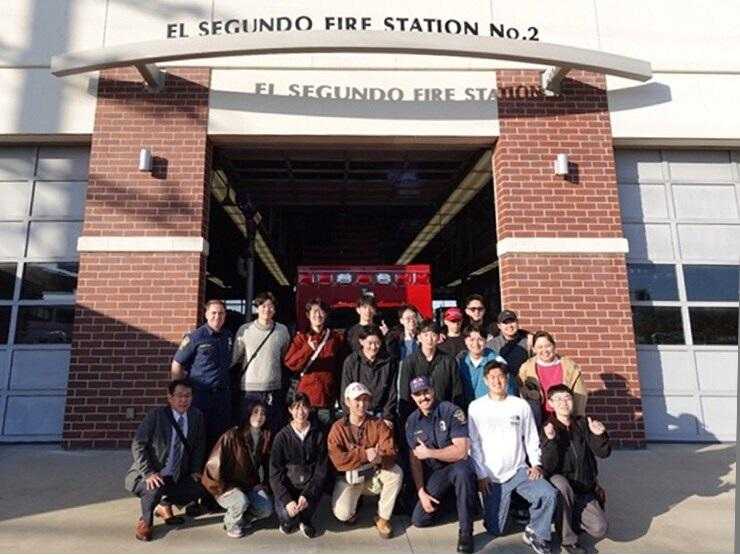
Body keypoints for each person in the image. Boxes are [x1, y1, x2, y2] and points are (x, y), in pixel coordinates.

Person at [468, 360, 558, 554]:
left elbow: (531, 437)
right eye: (492, 377)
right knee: (496, 530)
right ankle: (509, 508)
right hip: (492, 477)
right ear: (485, 381)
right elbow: (473, 444)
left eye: (500, 377)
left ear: (507, 378)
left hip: (519, 470)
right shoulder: (476, 407)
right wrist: (481, 475)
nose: (497, 381)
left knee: (548, 494)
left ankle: (536, 531)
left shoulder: (520, 405)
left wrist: (536, 464)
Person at [125, 379, 207, 542]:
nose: (184, 400)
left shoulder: (196, 416)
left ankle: (164, 505)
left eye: (188, 396)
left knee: (202, 487)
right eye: (179, 396)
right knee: (154, 488)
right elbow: (138, 444)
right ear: (170, 397)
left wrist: (195, 470)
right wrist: (148, 473)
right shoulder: (156, 416)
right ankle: (146, 521)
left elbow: (199, 444)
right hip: (150, 474)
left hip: (176, 475)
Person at [405, 376, 478, 554]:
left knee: (462, 471)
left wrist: (430, 453)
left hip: (457, 465)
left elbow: (461, 451)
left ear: (433, 390)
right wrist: (421, 492)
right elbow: (415, 460)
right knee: (419, 519)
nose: (423, 397)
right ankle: (456, 502)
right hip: (438, 474)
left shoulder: (451, 411)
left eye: (426, 392)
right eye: (418, 394)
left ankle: (466, 532)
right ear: (413, 397)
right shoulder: (412, 421)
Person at [328, 382, 404, 539]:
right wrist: (364, 454)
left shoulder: (378, 424)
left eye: (365, 400)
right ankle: (352, 505)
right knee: (343, 514)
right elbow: (337, 460)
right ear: (347, 402)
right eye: (357, 400)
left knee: (396, 473)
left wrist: (379, 457)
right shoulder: (338, 428)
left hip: (374, 475)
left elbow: (390, 450)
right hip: (350, 479)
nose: (362, 404)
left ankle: (383, 518)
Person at [541, 385, 611, 554]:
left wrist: (599, 435)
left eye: (567, 398)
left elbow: (603, 453)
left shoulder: (582, 423)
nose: (564, 403)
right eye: (558, 399)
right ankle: (568, 540)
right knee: (561, 484)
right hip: (563, 487)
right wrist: (551, 441)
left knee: (600, 528)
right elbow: (548, 467)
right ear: (550, 403)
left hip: (584, 489)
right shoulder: (547, 427)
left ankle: (570, 517)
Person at [201, 400, 273, 538]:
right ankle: (230, 523)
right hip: (226, 487)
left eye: (263, 413)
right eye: (255, 412)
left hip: (248, 485)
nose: (259, 417)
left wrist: (263, 484)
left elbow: (266, 464)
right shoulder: (232, 435)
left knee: (266, 508)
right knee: (241, 501)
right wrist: (222, 489)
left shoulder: (265, 436)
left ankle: (242, 519)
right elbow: (213, 465)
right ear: (248, 414)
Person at [171, 299, 233, 448]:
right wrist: (180, 392)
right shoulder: (195, 337)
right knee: (198, 437)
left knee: (220, 439)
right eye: (213, 313)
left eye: (221, 313)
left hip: (222, 397)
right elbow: (177, 364)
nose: (217, 317)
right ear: (206, 314)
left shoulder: (228, 336)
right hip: (201, 396)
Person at [269, 392, 328, 538]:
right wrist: (287, 500)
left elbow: (321, 469)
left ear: (310, 408)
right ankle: (289, 520)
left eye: (304, 407)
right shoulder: (282, 437)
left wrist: (308, 494)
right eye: (296, 407)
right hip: (288, 487)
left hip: (308, 487)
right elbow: (275, 473)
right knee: (287, 517)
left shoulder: (318, 434)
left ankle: (305, 520)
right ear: (290, 410)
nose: (300, 412)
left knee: (305, 511)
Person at [232, 291, 291, 434]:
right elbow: (236, 359)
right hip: (249, 390)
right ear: (257, 308)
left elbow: (285, 357)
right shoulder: (245, 330)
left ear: (275, 309)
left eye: (270, 306)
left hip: (273, 389)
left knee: (272, 428)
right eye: (263, 306)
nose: (267, 309)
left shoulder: (282, 330)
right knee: (247, 428)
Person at [284, 297, 346, 425]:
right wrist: (307, 348)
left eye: (321, 311)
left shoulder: (335, 338)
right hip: (305, 398)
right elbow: (290, 363)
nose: (318, 315)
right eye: (314, 311)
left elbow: (341, 366)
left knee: (324, 432)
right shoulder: (301, 338)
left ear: (326, 315)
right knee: (305, 430)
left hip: (326, 397)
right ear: (308, 315)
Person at [399, 319, 462, 423]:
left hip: (444, 414)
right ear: (419, 337)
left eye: (433, 335)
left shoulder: (449, 360)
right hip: (418, 415)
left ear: (438, 337)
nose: (429, 339)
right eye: (426, 335)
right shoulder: (409, 362)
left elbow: (456, 390)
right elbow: (405, 393)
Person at [518, 331, 587, 426]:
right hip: (537, 421)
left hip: (565, 420)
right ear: (534, 349)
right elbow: (521, 396)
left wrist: (577, 421)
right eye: (540, 347)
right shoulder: (525, 369)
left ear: (554, 346)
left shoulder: (570, 367)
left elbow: (580, 396)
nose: (545, 350)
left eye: (548, 346)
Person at [340, 325, 398, 427]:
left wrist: (388, 416)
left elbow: (392, 392)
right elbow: (345, 392)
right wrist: (350, 416)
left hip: (380, 414)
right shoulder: (351, 361)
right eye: (370, 343)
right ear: (361, 341)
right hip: (357, 413)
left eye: (377, 343)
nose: (373, 347)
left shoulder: (389, 362)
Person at [457, 326, 508, 411]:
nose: (476, 344)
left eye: (480, 339)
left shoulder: (497, 361)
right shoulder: (460, 362)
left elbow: (508, 389)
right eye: (472, 340)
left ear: (486, 340)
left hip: (491, 410)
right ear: (465, 341)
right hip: (465, 410)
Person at [487, 309, 533, 387]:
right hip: (501, 386)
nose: (510, 326)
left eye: (512, 322)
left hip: (524, 386)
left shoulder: (528, 342)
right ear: (499, 326)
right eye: (505, 323)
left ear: (517, 322)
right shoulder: (492, 345)